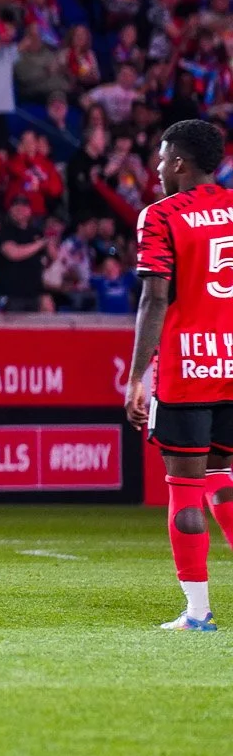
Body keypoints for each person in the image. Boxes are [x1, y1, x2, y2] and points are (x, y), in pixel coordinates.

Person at [126, 119, 233, 631]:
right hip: (232, 366)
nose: (158, 167)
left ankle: (197, 612)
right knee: (224, 481)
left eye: (163, 157)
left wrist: (135, 377)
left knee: (186, 489)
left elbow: (154, 297)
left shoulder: (161, 216)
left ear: (181, 164)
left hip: (188, 368)